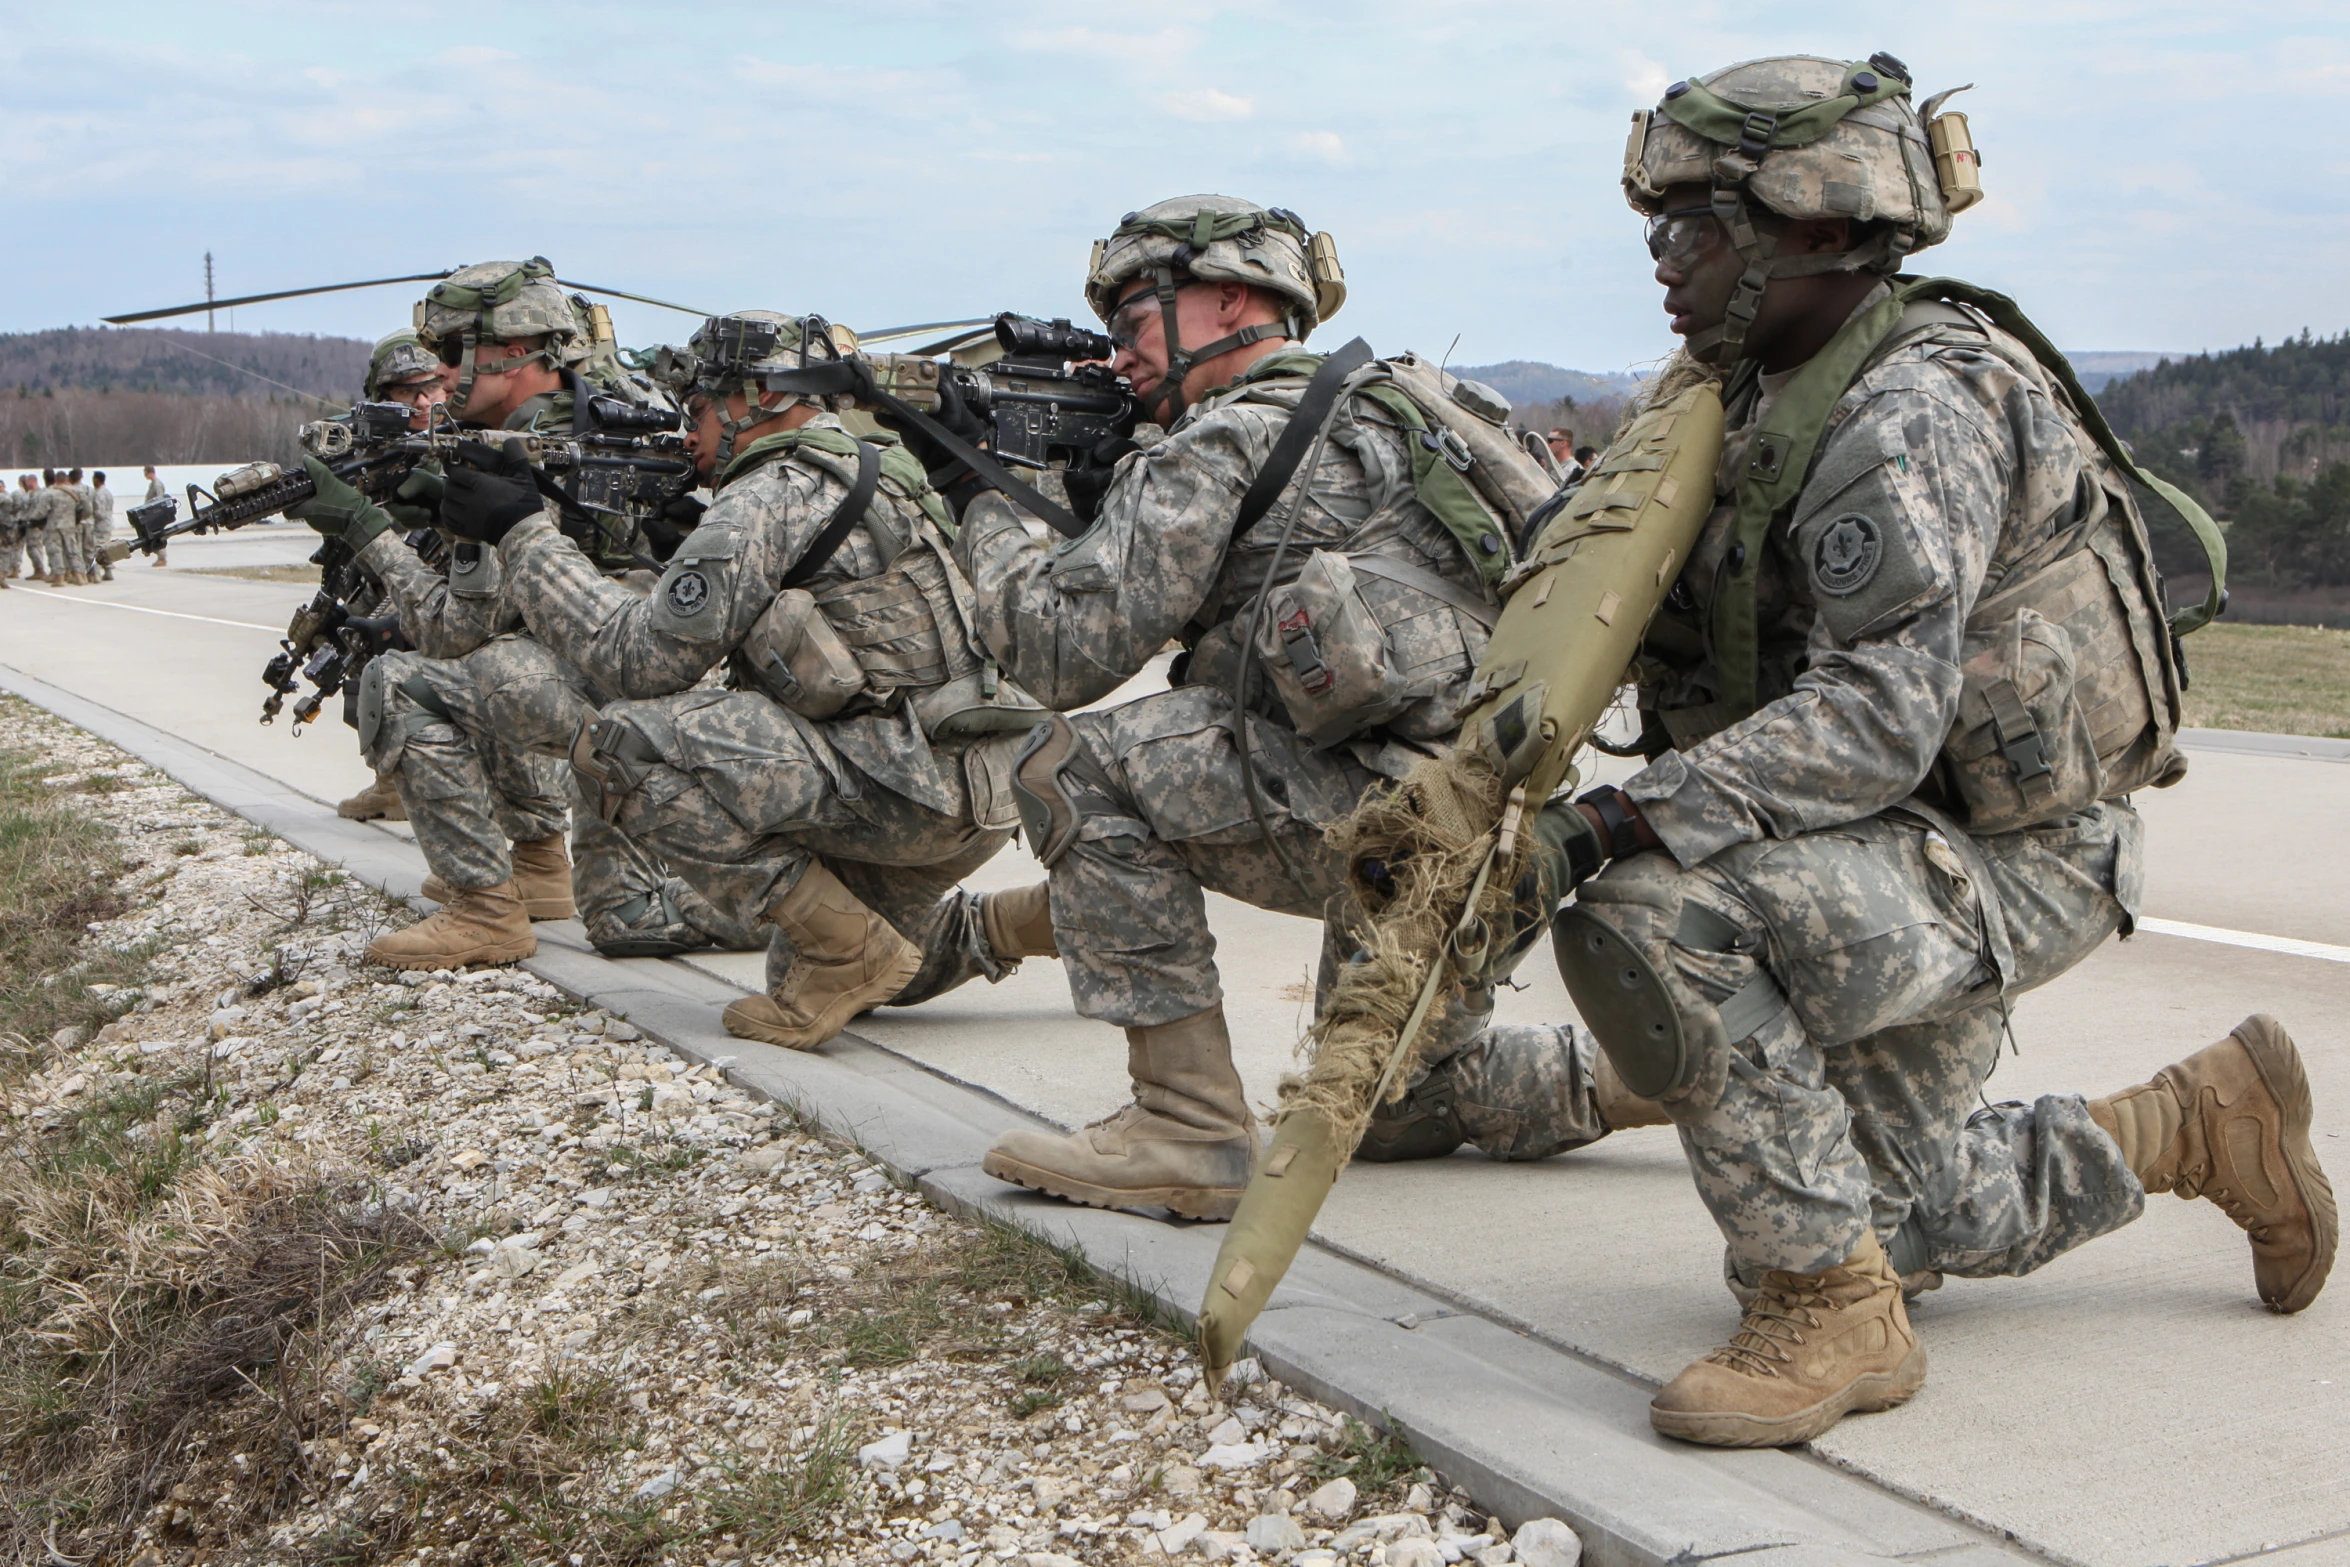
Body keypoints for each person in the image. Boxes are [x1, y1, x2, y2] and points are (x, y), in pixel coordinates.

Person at [1454, 53, 2333, 1450]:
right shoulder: (1736, 398)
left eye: (1693, 229)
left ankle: (1828, 1306)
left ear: (1811, 223)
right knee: (1909, 1210)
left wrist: (1609, 824)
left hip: (2008, 853)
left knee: (1652, 919)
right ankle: (2193, 1120)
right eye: (1657, 231)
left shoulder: (1909, 407)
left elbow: (1873, 715)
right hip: (1883, 844)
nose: (1662, 266)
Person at [946, 195, 1590, 1221]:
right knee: (1386, 1103)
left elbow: (1055, 653)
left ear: (1230, 300)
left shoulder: (1224, 442)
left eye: (1133, 324)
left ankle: (1183, 1123)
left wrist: (988, 497)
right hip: (1502, 836)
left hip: (1386, 824)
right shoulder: (1396, 409)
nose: (1119, 358)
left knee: (1069, 760)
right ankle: (1673, 1068)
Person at [437, 310, 1036, 1046]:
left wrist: (523, 532)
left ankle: (850, 946)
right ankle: (1033, 921)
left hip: (901, 786)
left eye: (698, 411)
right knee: (817, 972)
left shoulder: (771, 491)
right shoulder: (881, 466)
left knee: (620, 743)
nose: (688, 435)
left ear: (758, 396)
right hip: (978, 790)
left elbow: (638, 661)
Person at [290, 263, 756, 968]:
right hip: (677, 703)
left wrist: (364, 528)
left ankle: (485, 909)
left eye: (451, 356)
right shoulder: (617, 413)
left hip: (624, 709)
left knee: (407, 680)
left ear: (511, 353)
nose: (440, 379)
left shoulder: (513, 453)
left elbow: (453, 630)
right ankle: (542, 863)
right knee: (623, 917)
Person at [330, 331, 458, 825]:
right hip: (384, 575)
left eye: (432, 387)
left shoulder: (462, 439)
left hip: (443, 586)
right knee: (352, 657)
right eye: (407, 392)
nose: (424, 401)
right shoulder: (370, 450)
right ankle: (389, 783)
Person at [87, 471, 115, 581]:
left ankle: (96, 573)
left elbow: (99, 512)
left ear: (97, 480)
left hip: (100, 526)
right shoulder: (108, 492)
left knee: (97, 549)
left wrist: (91, 514)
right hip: (108, 524)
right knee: (106, 548)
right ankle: (108, 571)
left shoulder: (99, 494)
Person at [143, 466, 171, 567]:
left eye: (146, 473)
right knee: (153, 535)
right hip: (151, 514)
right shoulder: (153, 484)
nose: (145, 476)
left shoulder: (157, 485)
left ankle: (162, 558)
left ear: (150, 473)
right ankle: (160, 556)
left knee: (158, 535)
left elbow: (159, 500)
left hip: (156, 514)